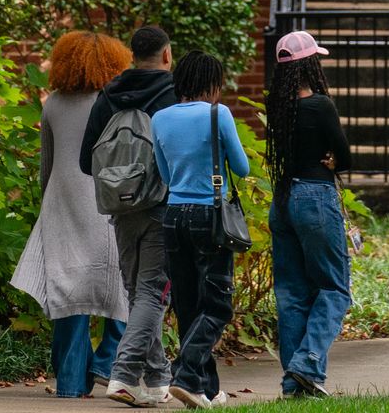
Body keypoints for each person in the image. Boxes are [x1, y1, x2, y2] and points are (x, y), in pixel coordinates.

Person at [12, 31, 132, 397]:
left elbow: (46, 166)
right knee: (123, 288)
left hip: (62, 202)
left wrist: (46, 203)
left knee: (68, 295)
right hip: (107, 202)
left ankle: (70, 385)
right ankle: (105, 361)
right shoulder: (114, 102)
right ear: (114, 63)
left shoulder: (54, 104)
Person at [80, 24, 177, 407]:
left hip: (120, 209)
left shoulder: (108, 95)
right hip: (160, 205)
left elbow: (88, 159)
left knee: (139, 293)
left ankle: (156, 379)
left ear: (130, 55)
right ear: (167, 55)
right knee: (153, 292)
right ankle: (122, 374)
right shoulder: (173, 96)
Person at [151, 52, 248, 409]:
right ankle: (186, 375)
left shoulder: (159, 118)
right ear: (212, 84)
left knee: (189, 305)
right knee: (218, 305)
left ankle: (207, 391)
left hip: (173, 215)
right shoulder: (217, 114)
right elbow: (241, 165)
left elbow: (164, 173)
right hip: (209, 215)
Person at [264, 31, 353, 399]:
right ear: (310, 64)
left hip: (282, 200)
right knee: (334, 288)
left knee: (291, 293)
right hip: (315, 197)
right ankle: (308, 363)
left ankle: (293, 384)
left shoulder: (278, 105)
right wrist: (333, 160)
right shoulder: (320, 105)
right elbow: (343, 156)